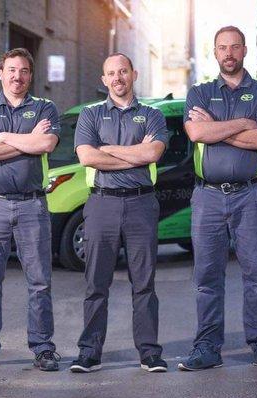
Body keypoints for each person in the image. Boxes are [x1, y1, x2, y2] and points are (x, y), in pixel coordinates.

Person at [178, 26, 257, 371]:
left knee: (256, 274)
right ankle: (207, 347)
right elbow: (197, 132)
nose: (228, 53)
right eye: (222, 47)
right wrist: (242, 124)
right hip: (207, 198)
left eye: (234, 47)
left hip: (250, 196)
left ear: (244, 51)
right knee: (208, 277)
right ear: (215, 52)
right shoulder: (199, 93)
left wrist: (218, 131)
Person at [0, 48, 61, 371]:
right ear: (1, 73)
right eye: (11, 70)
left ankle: (43, 348)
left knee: (39, 281)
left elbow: (45, 144)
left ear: (31, 76)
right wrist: (25, 140)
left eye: (24, 71)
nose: (17, 76)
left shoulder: (45, 107)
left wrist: (3, 137)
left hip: (33, 205)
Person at [70, 53, 168, 373]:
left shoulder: (152, 115)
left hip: (141, 204)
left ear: (133, 74)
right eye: (111, 73)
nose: (117, 78)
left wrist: (108, 150)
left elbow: (153, 152)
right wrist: (134, 156)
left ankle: (149, 352)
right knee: (96, 282)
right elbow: (87, 157)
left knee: (144, 282)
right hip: (102, 205)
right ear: (104, 79)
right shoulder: (91, 115)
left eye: (123, 71)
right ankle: (90, 351)